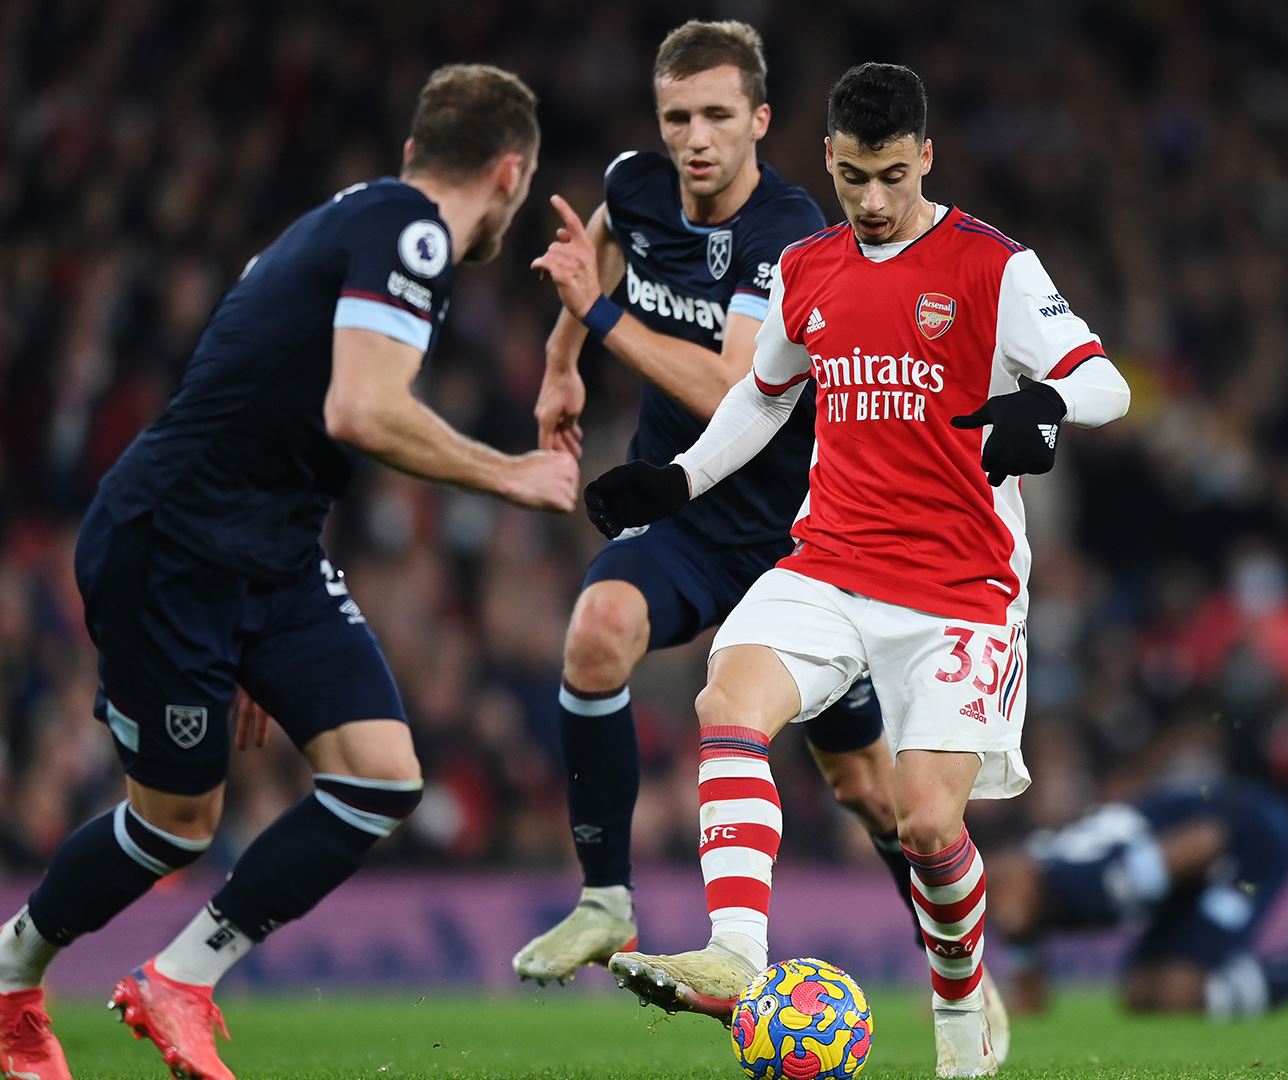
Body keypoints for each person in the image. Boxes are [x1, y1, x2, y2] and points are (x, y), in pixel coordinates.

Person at [0, 65, 573, 1080]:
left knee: (380, 776)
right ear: (509, 173)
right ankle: (11, 984)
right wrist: (514, 476)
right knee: (175, 823)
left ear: (413, 150)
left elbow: (284, 401)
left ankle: (178, 979)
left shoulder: (357, 219)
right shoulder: (414, 234)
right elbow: (361, 411)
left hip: (265, 550)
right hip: (172, 547)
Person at [584, 62, 1130, 1078]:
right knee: (729, 697)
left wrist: (1042, 406)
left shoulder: (993, 267)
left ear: (926, 156)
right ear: (827, 162)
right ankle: (737, 955)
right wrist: (678, 483)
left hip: (960, 586)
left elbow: (1106, 381)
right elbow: (762, 394)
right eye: (851, 179)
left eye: (889, 176)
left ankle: (962, 994)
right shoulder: (809, 269)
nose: (872, 202)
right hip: (830, 560)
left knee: (926, 825)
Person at [512, 19, 929, 990]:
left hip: (798, 542)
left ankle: (952, 943)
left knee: (868, 789)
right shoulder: (638, 183)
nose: (695, 138)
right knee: (596, 628)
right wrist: (558, 365)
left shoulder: (788, 234)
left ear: (761, 121)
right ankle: (606, 899)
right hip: (686, 518)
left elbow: (730, 389)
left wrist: (597, 319)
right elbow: (603, 239)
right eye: (677, 118)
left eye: (716, 116)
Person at [990, 777, 1288, 1023]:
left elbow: (1204, 839)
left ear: (1022, 868)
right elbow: (1031, 1001)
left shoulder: (1079, 879)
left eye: (1002, 889)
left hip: (1249, 836)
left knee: (1178, 992)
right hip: (1190, 868)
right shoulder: (1027, 901)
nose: (998, 911)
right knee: (1142, 995)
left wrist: (1149, 883)